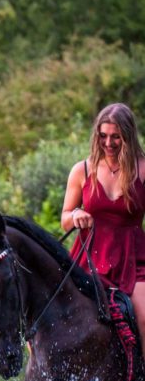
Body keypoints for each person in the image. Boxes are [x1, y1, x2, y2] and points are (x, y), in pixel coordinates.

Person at [61, 102, 145, 358]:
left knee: (144, 317)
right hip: (88, 257)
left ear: (128, 136)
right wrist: (76, 214)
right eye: (103, 136)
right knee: (50, 309)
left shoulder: (142, 169)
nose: (108, 143)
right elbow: (65, 218)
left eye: (116, 137)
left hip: (134, 259)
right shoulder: (81, 170)